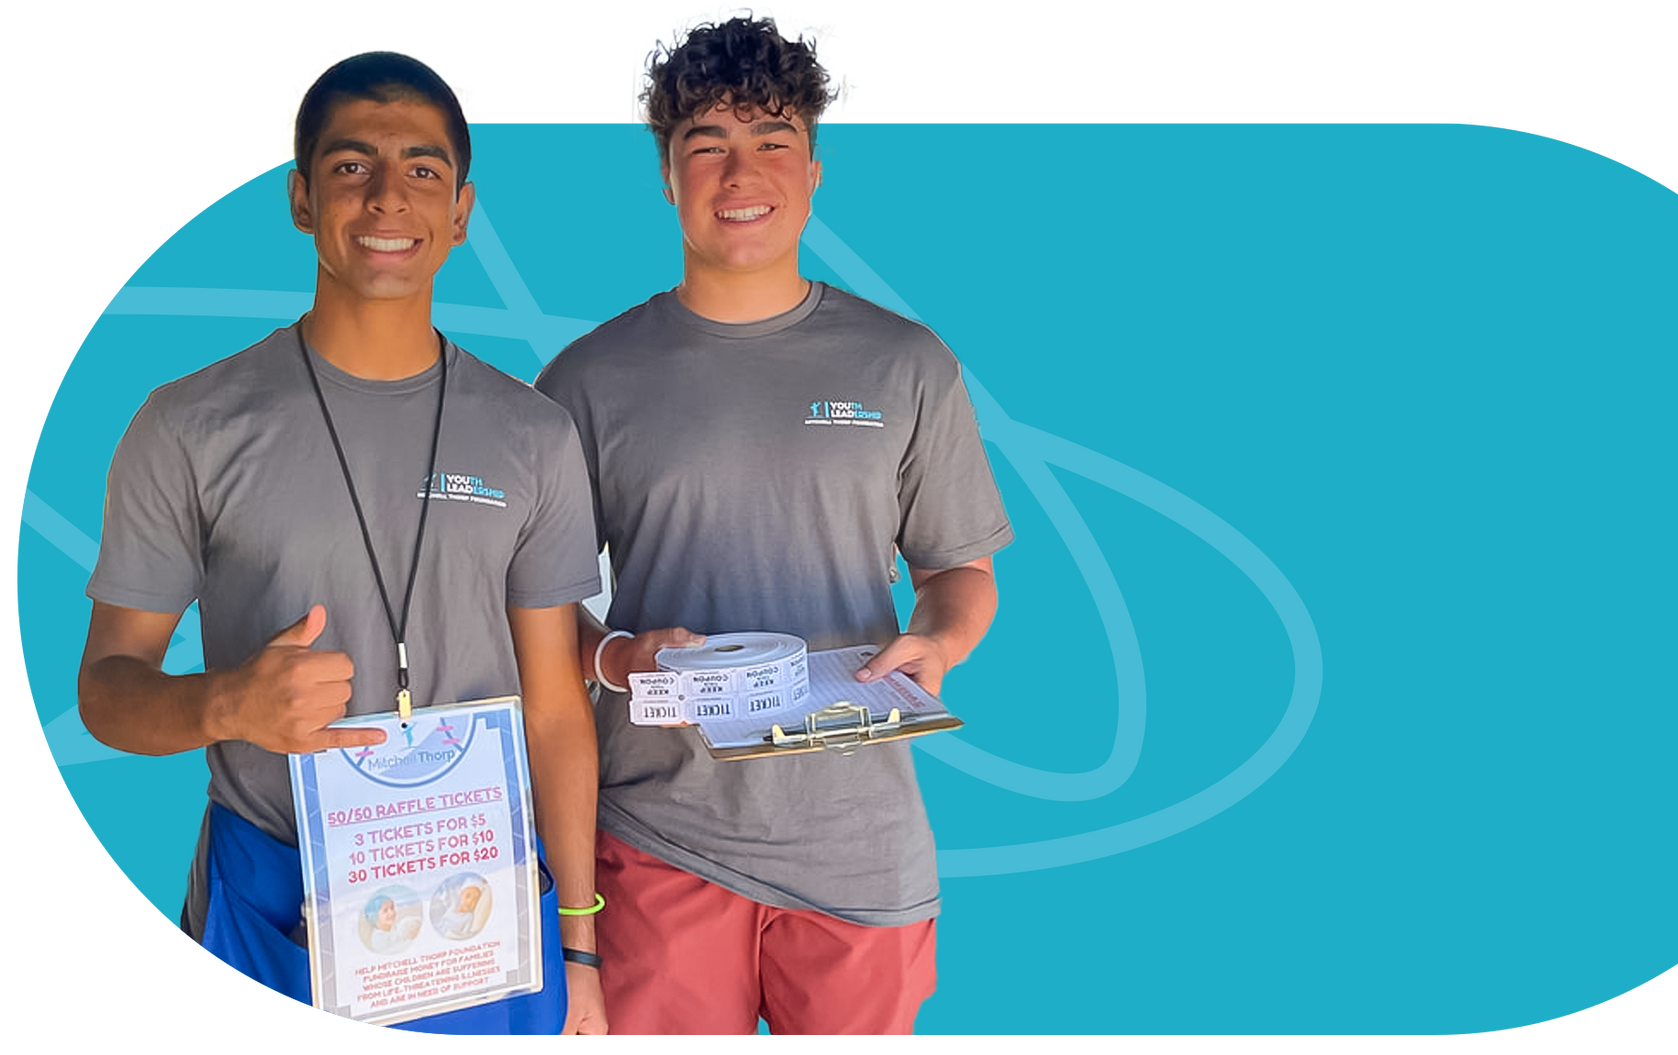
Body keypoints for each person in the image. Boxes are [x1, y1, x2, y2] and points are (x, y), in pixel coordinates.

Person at [76, 49, 608, 1037]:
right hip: (277, 895)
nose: (387, 197)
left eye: (422, 169)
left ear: (460, 211)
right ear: (302, 199)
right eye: (352, 165)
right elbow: (106, 688)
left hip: (482, 898)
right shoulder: (188, 424)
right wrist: (228, 702)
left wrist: (578, 946)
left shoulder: (533, 435)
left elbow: (554, 707)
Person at [534, 15, 1012, 1038]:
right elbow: (528, 614)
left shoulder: (907, 363)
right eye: (707, 143)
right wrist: (615, 656)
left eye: (772, 139)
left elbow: (959, 572)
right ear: (668, 176)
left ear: (814, 170)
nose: (740, 171)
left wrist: (939, 642)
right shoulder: (586, 380)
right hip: (658, 835)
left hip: (859, 845)